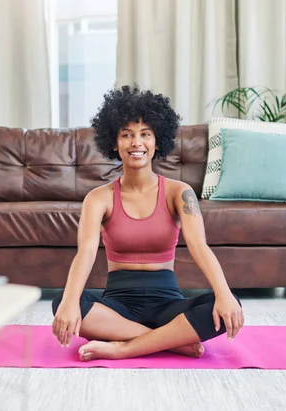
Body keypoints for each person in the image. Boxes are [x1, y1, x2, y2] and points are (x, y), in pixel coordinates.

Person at [51, 85, 245, 362]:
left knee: (228, 306)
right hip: (118, 305)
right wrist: (70, 303)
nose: (136, 143)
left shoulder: (179, 193)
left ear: (157, 141)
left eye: (145, 134)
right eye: (126, 135)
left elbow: (199, 246)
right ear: (114, 143)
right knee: (62, 301)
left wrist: (223, 293)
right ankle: (171, 341)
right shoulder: (98, 198)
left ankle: (125, 347)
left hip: (168, 302)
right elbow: (86, 253)